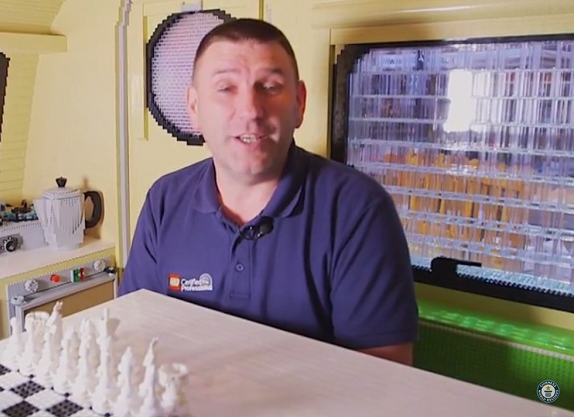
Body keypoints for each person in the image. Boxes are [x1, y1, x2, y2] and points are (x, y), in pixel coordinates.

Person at [118, 18, 419, 366]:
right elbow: (135, 332)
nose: (250, 110)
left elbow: (384, 373)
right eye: (226, 88)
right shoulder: (164, 200)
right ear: (194, 108)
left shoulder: (358, 209)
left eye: (270, 86)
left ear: (299, 103)